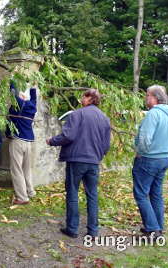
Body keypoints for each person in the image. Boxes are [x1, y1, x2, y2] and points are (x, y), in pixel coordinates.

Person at [46, 89, 111, 238]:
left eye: (84, 96)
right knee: (92, 194)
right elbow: (106, 144)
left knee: (73, 192)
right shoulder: (105, 118)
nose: (81, 98)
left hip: (76, 159)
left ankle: (72, 229)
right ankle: (93, 230)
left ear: (90, 98)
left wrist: (52, 141)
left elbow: (68, 135)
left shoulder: (77, 114)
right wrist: (98, 155)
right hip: (94, 161)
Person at [133, 85, 168, 237]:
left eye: (147, 95)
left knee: (141, 194)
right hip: (165, 158)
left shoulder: (153, 114)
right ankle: (158, 226)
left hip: (149, 159)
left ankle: (152, 229)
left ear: (155, 98)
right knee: (156, 194)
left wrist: (140, 152)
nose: (146, 98)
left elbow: (145, 138)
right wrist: (166, 149)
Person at [7, 83, 37, 205]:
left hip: (18, 140)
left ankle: (22, 197)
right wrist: (33, 88)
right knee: (26, 168)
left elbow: (13, 92)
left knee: (16, 169)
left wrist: (13, 79)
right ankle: (30, 191)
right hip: (29, 142)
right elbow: (34, 99)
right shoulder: (32, 107)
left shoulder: (19, 105)